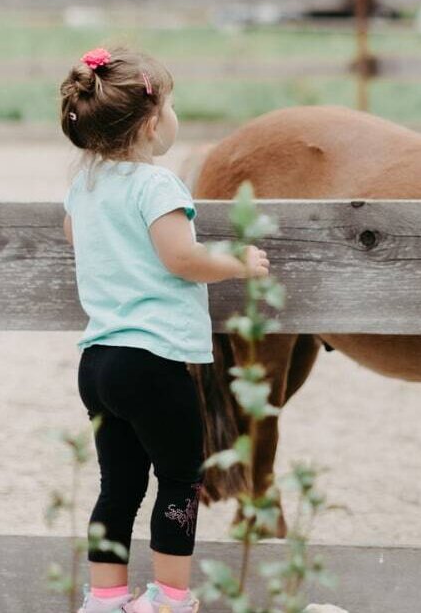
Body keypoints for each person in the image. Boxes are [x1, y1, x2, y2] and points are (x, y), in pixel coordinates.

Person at [60, 46, 269, 613]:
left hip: (99, 360)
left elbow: (81, 242)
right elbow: (181, 258)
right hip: (152, 360)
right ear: (153, 122)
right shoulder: (157, 188)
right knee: (180, 479)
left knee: (118, 487)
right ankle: (170, 600)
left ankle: (105, 599)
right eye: (171, 104)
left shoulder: (86, 187)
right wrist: (236, 261)